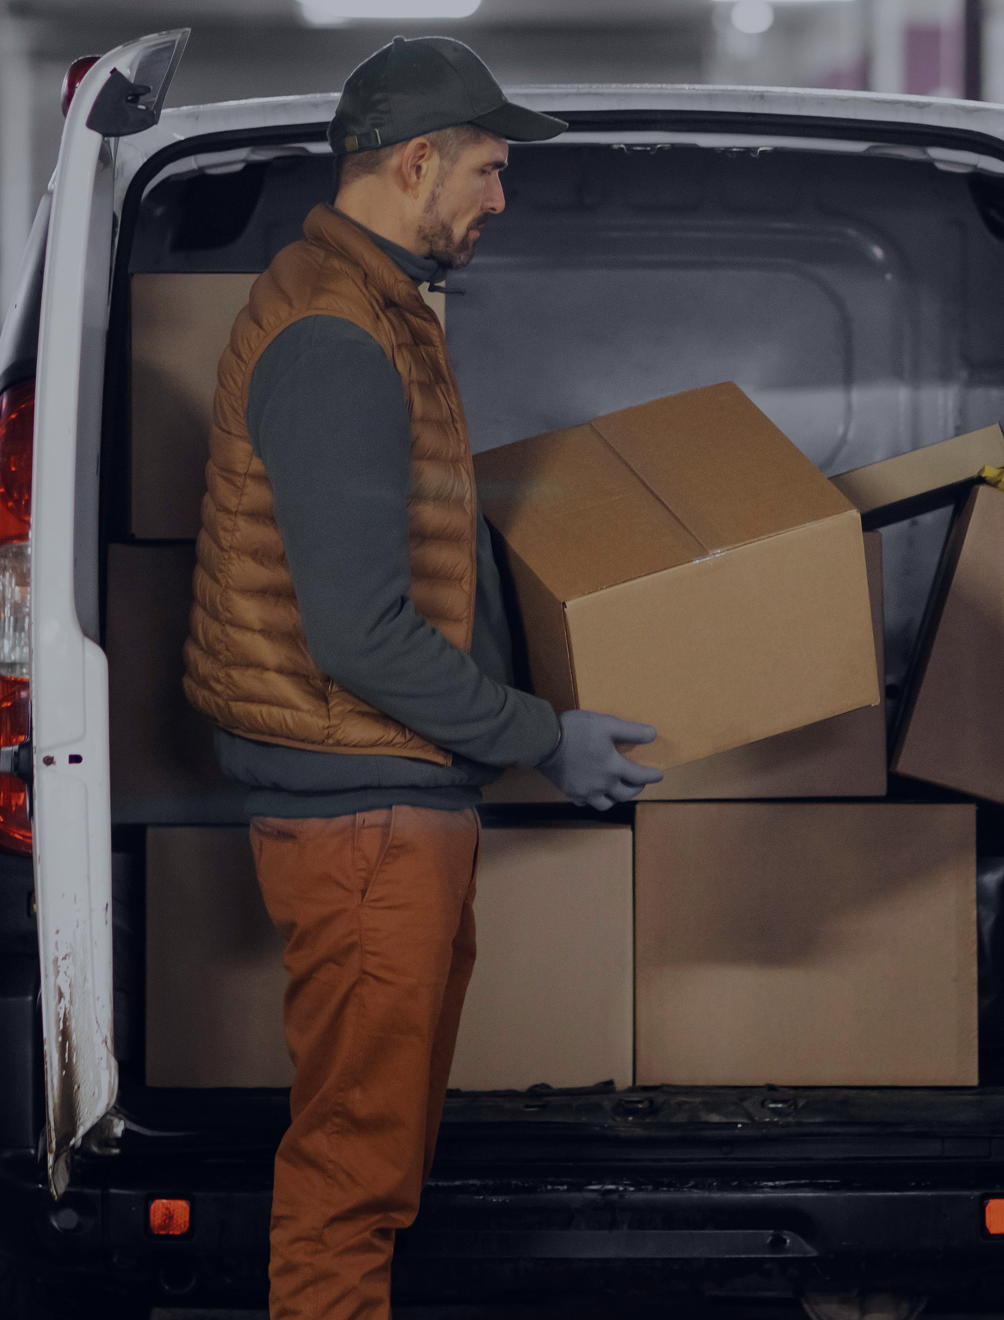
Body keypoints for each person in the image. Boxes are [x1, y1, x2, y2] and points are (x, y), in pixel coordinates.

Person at [182, 34, 663, 1320]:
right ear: (414, 162)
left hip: (386, 807)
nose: (502, 199)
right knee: (352, 1179)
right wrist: (541, 734)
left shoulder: (367, 305)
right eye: (490, 172)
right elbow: (360, 634)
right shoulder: (339, 339)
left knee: (375, 1162)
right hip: (362, 821)